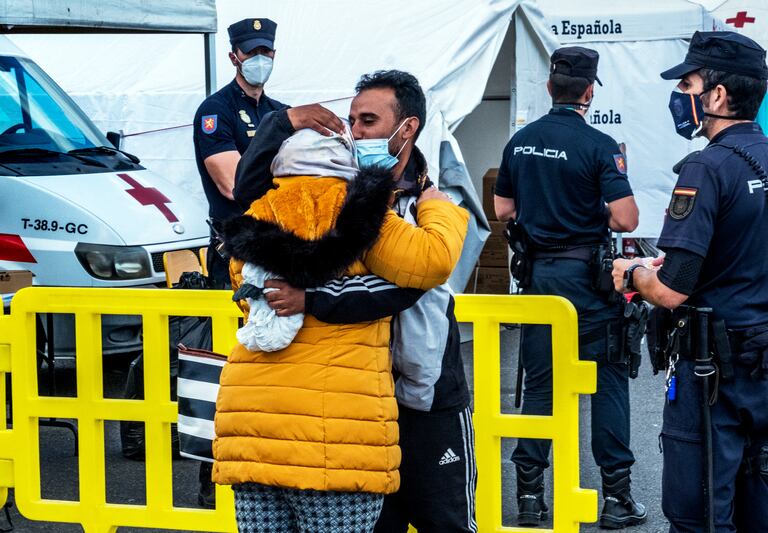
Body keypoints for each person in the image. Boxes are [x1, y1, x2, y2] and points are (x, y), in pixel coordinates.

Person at [234, 70, 478, 532]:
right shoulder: (336, 195)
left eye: (368, 120)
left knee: (445, 522)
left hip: (423, 394)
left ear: (407, 128)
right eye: (352, 119)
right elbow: (249, 195)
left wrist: (314, 295)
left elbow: (417, 280)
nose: (355, 132)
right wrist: (281, 123)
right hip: (356, 405)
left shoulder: (433, 198)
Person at [612, 31, 768, 533]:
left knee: (699, 509)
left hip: (714, 374)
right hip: (762, 362)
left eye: (688, 85)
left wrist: (632, 273)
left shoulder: (707, 167)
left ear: (717, 96)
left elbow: (672, 289)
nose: (681, 97)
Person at [494, 46, 645, 529]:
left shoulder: (521, 142)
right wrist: (588, 210)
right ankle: (616, 500)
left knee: (541, 384)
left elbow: (502, 211)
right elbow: (626, 218)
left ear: (548, 88)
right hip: (589, 280)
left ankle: (531, 499)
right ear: (588, 91)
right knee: (607, 380)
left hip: (540, 280)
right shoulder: (599, 145)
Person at [192, 17, 288, 289]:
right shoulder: (216, 110)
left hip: (277, 241)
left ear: (274, 54)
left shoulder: (280, 111)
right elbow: (234, 185)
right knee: (233, 328)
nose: (260, 59)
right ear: (234, 57)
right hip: (235, 245)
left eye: (265, 52)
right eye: (251, 52)